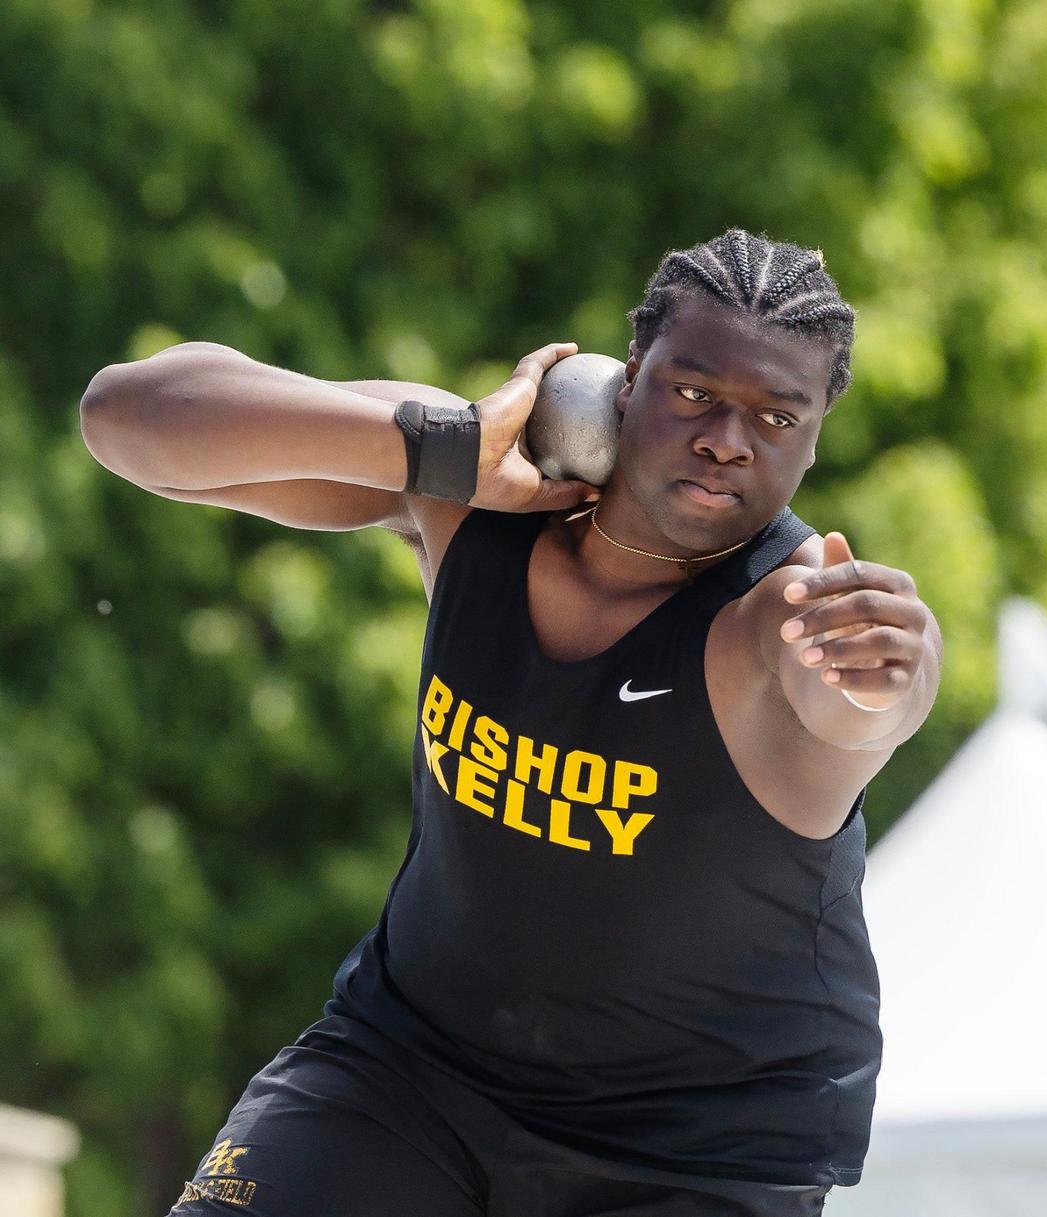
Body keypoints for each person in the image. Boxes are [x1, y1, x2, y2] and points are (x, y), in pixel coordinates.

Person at [81, 228, 942, 1216]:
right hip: (407, 1077)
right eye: (695, 393)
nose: (727, 440)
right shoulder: (471, 498)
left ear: (813, 440)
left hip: (692, 1153)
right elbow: (129, 418)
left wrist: (892, 677)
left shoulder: (780, 624)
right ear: (623, 383)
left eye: (776, 417)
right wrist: (438, 449)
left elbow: (867, 706)